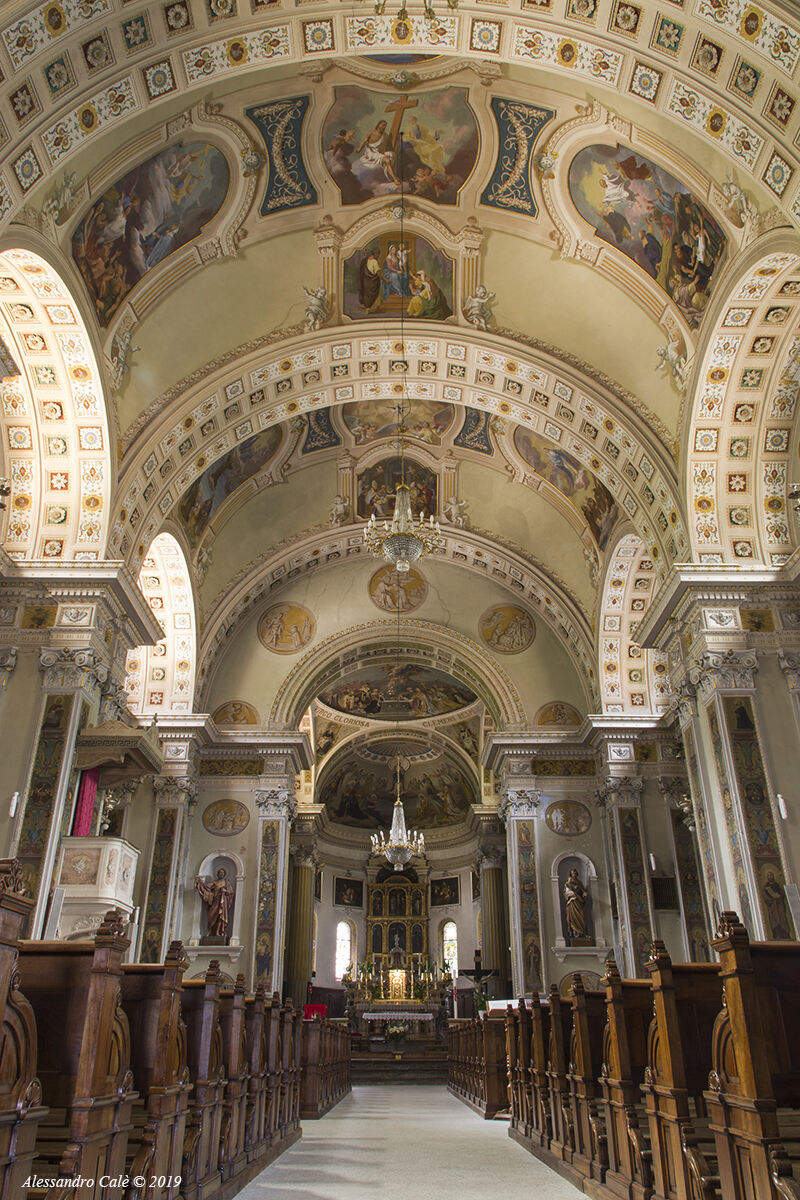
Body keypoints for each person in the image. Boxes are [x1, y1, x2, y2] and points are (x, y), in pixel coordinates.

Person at [195, 867, 234, 940]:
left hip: (223, 901)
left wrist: (225, 890)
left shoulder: (226, 882)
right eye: (219, 872)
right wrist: (200, 882)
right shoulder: (214, 882)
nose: (221, 874)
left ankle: (218, 932)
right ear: (217, 874)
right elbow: (206, 887)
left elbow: (231, 892)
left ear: (224, 874)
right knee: (211, 915)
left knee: (220, 916)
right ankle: (210, 931)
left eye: (222, 873)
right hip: (215, 900)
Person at [564, 868, 588, 941]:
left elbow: (583, 891)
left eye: (575, 873)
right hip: (572, 902)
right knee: (572, 917)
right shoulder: (568, 884)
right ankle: (575, 933)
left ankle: (581, 932)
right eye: (572, 873)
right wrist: (571, 894)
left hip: (578, 902)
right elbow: (566, 893)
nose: (574, 875)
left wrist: (584, 894)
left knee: (581, 916)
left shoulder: (579, 883)